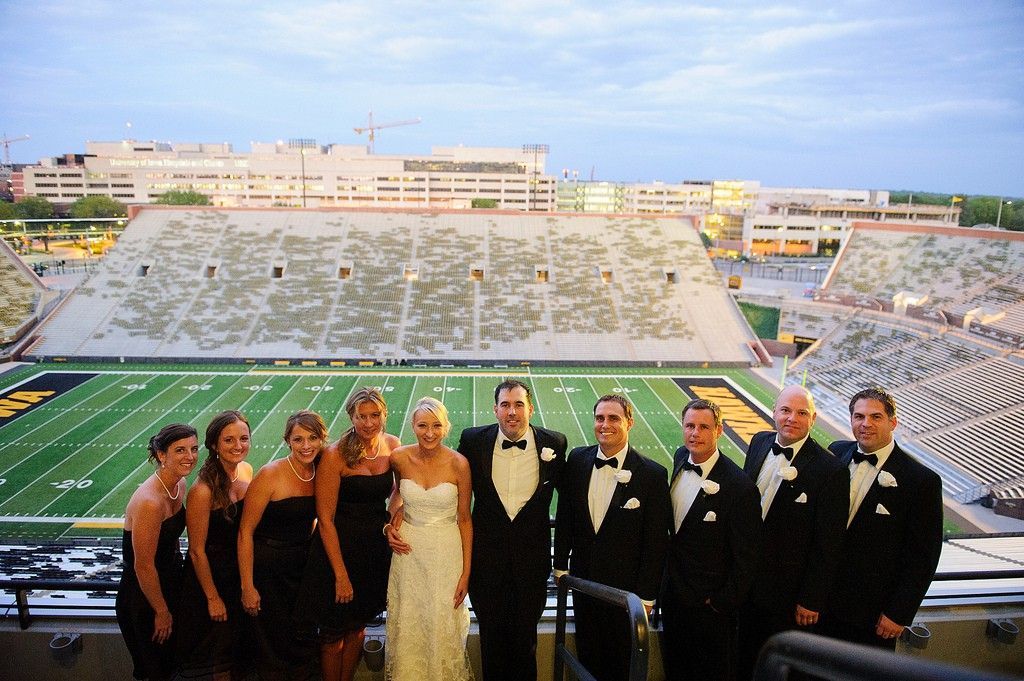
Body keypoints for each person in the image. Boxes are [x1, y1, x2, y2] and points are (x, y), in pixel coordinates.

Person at [553, 395, 672, 681]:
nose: (605, 425)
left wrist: (645, 596)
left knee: (620, 664)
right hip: (583, 586)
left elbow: (656, 542)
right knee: (587, 660)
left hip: (626, 595)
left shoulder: (652, 475)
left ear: (629, 422)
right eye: (600, 418)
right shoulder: (578, 459)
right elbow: (566, 514)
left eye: (613, 418)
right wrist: (560, 566)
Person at [457, 379, 567, 681]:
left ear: (530, 408)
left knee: (526, 645)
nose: (512, 412)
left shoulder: (554, 443)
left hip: (531, 566)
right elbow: (449, 484)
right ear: (495, 410)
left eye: (518, 404)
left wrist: (562, 563)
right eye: (505, 404)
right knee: (491, 644)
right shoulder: (473, 440)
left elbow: (570, 503)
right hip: (486, 566)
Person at [820, 387, 943, 650]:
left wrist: (898, 613)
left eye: (875, 417)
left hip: (871, 614)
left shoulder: (920, 480)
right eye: (859, 416)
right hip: (821, 601)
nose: (866, 424)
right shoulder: (836, 452)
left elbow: (923, 557)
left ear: (893, 422)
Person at [738, 386, 847, 680]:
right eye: (785, 410)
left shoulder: (831, 470)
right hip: (745, 585)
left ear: (812, 418)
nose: (791, 419)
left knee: (781, 668)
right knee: (744, 659)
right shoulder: (759, 442)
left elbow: (829, 543)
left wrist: (811, 598)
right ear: (774, 412)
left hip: (787, 594)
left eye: (801, 413)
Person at [295, 388, 400, 681]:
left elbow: (399, 493)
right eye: (361, 416)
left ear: (384, 415)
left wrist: (390, 521)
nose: (368, 423)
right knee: (332, 637)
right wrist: (340, 575)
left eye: (374, 415)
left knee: (357, 629)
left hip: (372, 551)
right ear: (351, 417)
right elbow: (325, 520)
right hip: (337, 552)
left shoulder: (392, 446)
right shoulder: (335, 454)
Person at [660, 399, 761, 681]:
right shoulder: (681, 457)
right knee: (676, 668)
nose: (695, 433)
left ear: (719, 430)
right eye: (690, 426)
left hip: (710, 608)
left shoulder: (740, 487)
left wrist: (721, 602)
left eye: (704, 427)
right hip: (675, 597)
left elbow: (748, 557)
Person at [384, 397, 474, 681]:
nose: (430, 432)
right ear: (413, 426)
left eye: (436, 425)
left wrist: (466, 573)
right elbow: (396, 494)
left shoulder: (459, 464)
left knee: (440, 623)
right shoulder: (398, 457)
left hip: (446, 552)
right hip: (408, 552)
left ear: (446, 426)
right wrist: (393, 518)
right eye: (423, 425)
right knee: (409, 622)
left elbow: (465, 519)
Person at [238, 410, 324, 680]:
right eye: (298, 439)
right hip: (268, 573)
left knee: (301, 644)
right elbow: (245, 532)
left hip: (301, 570)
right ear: (287, 441)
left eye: (312, 438)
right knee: (271, 649)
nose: (306, 445)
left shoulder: (321, 471)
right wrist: (247, 586)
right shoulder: (270, 474)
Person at [117, 423, 198, 681]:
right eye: (180, 450)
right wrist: (161, 611)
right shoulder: (150, 502)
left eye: (194, 449)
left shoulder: (180, 484)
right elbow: (143, 566)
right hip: (145, 597)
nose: (190, 456)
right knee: (155, 671)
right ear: (162, 455)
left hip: (168, 585)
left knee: (173, 665)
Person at [176, 411, 254, 680]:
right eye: (229, 440)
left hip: (237, 576)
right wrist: (212, 598)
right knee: (219, 660)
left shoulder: (246, 470)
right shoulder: (202, 491)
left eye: (243, 438)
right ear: (214, 445)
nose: (238, 446)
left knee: (237, 656)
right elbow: (196, 551)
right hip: (212, 582)